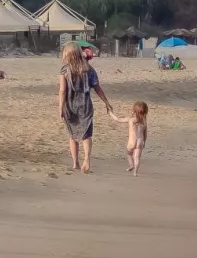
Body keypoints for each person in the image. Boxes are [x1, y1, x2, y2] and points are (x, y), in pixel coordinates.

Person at [57, 41, 112, 172]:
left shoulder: (64, 70)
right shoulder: (89, 69)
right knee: (86, 135)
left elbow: (62, 91)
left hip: (70, 106)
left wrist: (60, 108)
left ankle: (75, 163)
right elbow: (97, 88)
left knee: (73, 135)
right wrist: (106, 102)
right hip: (85, 106)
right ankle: (87, 159)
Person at [109, 101, 149, 174]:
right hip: (140, 142)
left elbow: (118, 119)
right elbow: (145, 134)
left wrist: (110, 113)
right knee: (137, 158)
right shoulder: (144, 122)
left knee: (129, 154)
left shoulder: (131, 120)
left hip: (131, 142)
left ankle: (131, 165)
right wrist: (144, 142)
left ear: (134, 111)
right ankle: (135, 172)